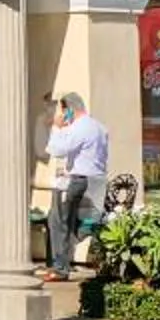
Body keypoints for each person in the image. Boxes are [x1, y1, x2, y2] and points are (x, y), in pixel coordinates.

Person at [41, 92, 110, 279]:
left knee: (57, 220)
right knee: (81, 221)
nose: (62, 115)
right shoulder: (99, 127)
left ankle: (60, 268)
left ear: (70, 109)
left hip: (77, 180)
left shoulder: (79, 128)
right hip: (96, 180)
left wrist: (57, 128)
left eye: (63, 110)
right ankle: (66, 258)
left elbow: (57, 150)